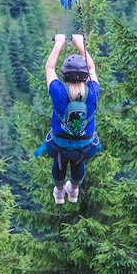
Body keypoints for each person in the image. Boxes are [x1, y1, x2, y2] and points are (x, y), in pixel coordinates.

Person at [39, 33, 100, 204]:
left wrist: (58, 43)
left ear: (64, 75)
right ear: (85, 75)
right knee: (78, 159)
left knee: (60, 160)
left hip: (58, 143)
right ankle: (73, 190)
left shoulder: (58, 91)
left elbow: (49, 68)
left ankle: (59, 192)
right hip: (85, 144)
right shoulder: (93, 91)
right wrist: (81, 44)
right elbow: (93, 69)